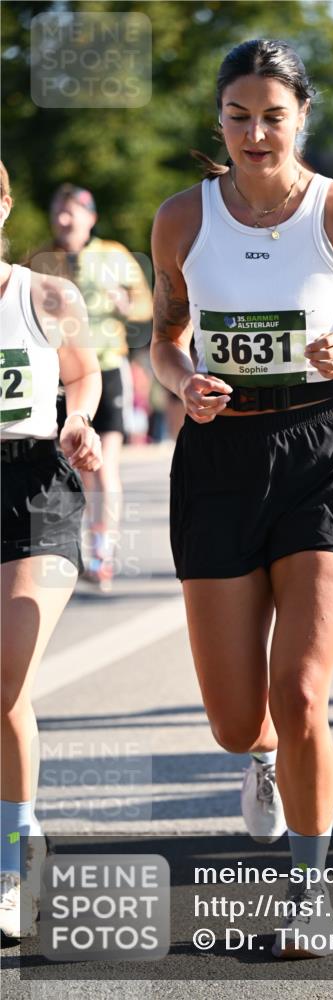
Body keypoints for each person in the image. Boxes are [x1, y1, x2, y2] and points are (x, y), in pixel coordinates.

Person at [149, 39, 333, 958]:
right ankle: (258, 762)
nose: (255, 132)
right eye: (238, 115)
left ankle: (310, 891)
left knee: (302, 691)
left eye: (273, 115)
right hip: (219, 455)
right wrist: (181, 380)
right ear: (217, 121)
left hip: (318, 448)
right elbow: (164, 336)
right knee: (238, 719)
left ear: (300, 116)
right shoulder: (180, 220)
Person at [0, 161, 102, 938]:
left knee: (5, 681)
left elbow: (83, 373)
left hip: (33, 483)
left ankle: (10, 860)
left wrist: (80, 420)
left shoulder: (44, 296)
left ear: (3, 205)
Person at [29, 184, 152, 590]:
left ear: (90, 218)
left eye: (72, 214)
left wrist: (125, 304)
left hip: (107, 367)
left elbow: (146, 304)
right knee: (65, 466)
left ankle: (102, 552)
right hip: (60, 378)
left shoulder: (114, 256)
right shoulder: (39, 259)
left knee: (104, 466)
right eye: (59, 213)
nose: (64, 221)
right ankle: (69, 545)